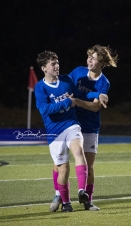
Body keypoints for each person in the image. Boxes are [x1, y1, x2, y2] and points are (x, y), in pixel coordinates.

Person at [35, 50, 108, 212]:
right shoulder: (41, 87)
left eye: (58, 62)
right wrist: (67, 103)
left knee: (79, 151)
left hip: (73, 124)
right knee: (62, 167)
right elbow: (44, 109)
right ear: (44, 68)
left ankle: (83, 193)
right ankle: (62, 199)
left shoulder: (67, 80)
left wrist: (99, 94)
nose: (57, 66)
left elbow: (83, 94)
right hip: (54, 130)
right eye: (53, 64)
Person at [50, 44, 118, 211]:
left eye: (94, 58)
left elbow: (95, 107)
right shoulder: (78, 72)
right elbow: (68, 88)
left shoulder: (104, 83)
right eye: (89, 56)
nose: (90, 60)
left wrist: (77, 101)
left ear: (102, 62)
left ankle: (87, 200)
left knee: (89, 165)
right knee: (59, 162)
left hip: (89, 125)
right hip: (69, 122)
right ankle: (58, 193)